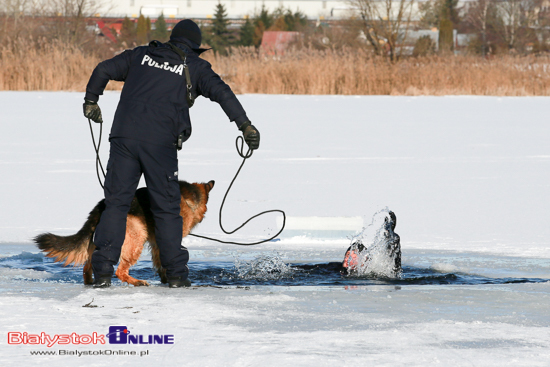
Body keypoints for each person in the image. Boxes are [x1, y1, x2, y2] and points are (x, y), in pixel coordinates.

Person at [83, 19, 260, 288]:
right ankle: (176, 276)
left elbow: (103, 68)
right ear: (195, 47)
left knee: (116, 204)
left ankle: (103, 274)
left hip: (124, 138)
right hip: (159, 145)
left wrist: (91, 100)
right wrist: (245, 125)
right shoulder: (196, 66)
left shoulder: (141, 55)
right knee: (166, 209)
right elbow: (223, 94)